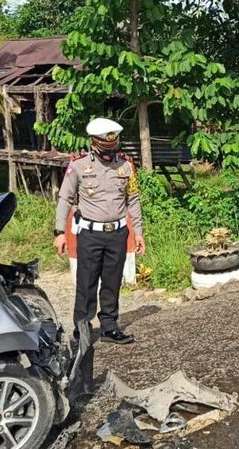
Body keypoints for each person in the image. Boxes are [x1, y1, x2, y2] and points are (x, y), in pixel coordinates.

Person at [54, 118, 145, 344]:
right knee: (87, 282)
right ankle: (82, 328)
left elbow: (132, 199)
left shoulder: (125, 166)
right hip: (90, 234)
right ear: (94, 143)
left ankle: (109, 327)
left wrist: (139, 232)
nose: (110, 152)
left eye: (113, 146)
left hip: (118, 233)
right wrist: (59, 232)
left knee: (112, 281)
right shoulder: (78, 166)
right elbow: (65, 198)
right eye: (105, 147)